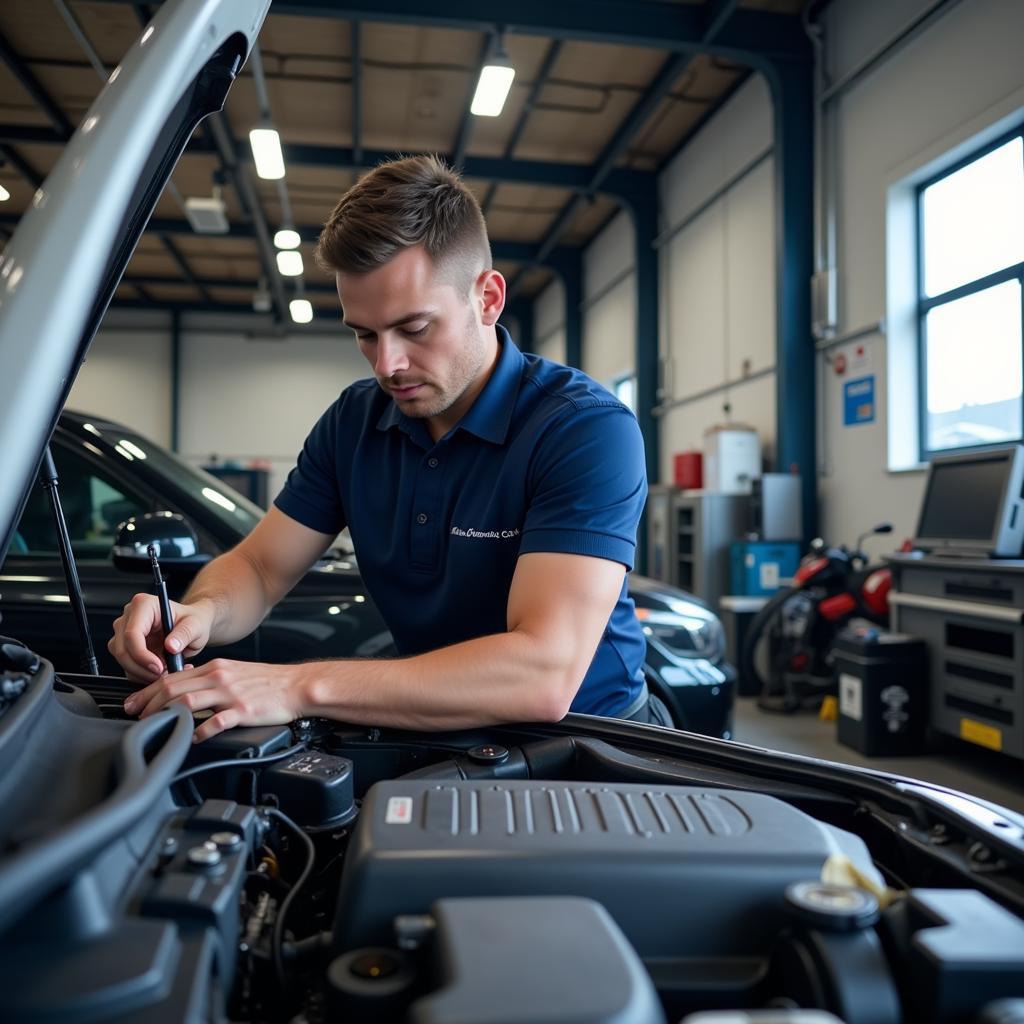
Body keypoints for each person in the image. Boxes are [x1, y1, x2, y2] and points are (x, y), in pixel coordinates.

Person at [110, 155, 668, 742]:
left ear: (488, 298)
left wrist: (296, 685)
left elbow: (543, 672)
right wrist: (196, 616)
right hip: (433, 729)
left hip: (587, 745)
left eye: (415, 328)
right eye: (364, 334)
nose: (388, 364)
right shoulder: (355, 421)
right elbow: (258, 566)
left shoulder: (582, 430)